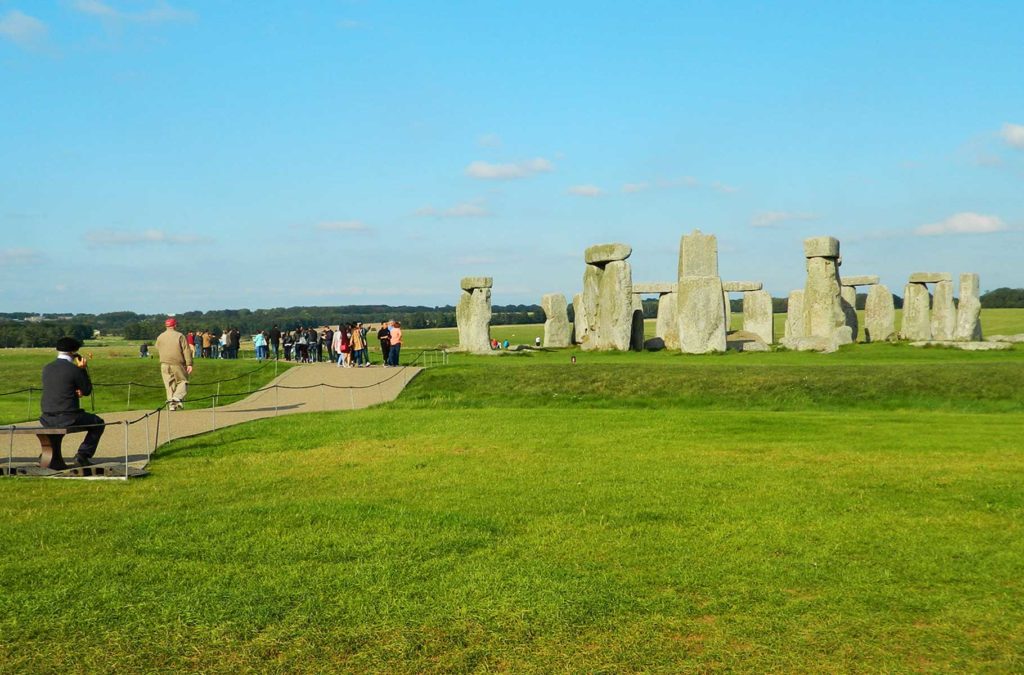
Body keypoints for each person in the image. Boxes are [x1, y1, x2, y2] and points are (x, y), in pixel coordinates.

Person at [39, 337, 105, 466]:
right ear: (74, 352)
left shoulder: (47, 368)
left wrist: (74, 389)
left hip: (46, 416)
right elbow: (86, 390)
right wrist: (82, 369)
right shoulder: (74, 369)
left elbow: (60, 387)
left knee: (55, 430)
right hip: (68, 416)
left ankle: (49, 455)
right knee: (98, 424)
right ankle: (83, 454)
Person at [156, 317, 193, 411]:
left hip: (164, 364)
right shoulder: (179, 336)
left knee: (169, 385)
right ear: (175, 325)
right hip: (177, 363)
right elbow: (186, 350)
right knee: (183, 381)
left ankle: (171, 405)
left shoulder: (160, 336)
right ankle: (177, 397)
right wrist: (189, 363)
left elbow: (157, 347)